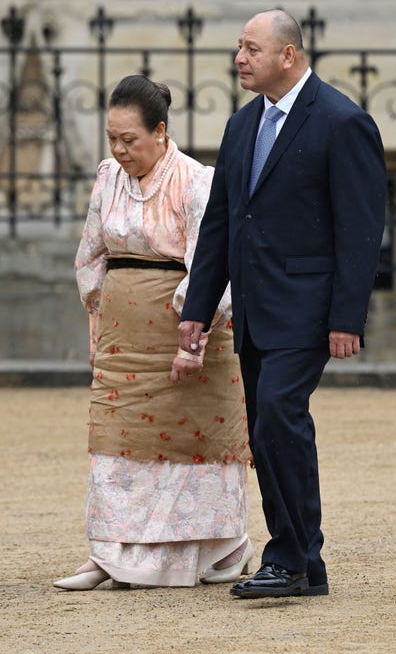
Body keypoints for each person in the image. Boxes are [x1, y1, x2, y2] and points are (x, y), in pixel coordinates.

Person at [175, 10, 387, 599]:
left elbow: (362, 229)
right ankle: (301, 567)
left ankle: (291, 557)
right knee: (268, 428)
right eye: (239, 48)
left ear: (287, 56)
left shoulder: (343, 121)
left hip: (310, 309)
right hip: (255, 310)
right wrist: (197, 308)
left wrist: (348, 318)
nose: (239, 58)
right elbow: (220, 225)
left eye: (250, 49)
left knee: (277, 416)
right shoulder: (243, 126)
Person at [54, 75, 252, 591]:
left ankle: (215, 551)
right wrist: (99, 319)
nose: (119, 150)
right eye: (112, 138)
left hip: (185, 334)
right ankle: (108, 552)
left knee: (195, 444)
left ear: (161, 132)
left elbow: (211, 264)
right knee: (115, 440)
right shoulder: (107, 177)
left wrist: (195, 340)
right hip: (124, 339)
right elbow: (91, 253)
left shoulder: (194, 181)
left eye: (130, 140)